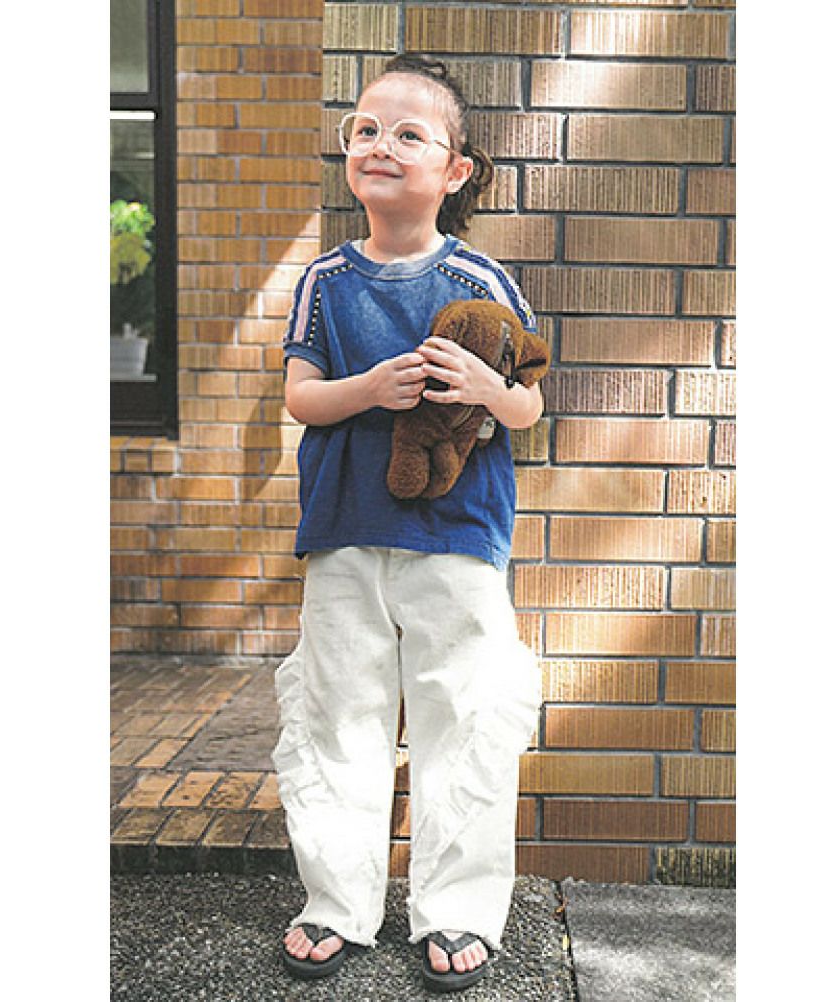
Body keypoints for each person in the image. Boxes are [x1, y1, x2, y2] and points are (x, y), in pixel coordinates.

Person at [272, 53, 544, 993]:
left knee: (462, 716)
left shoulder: (481, 276)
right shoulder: (325, 281)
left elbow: (528, 405)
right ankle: (336, 902)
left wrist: (485, 388)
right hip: (344, 526)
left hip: (456, 531)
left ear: (455, 169)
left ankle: (457, 910)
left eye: (408, 133)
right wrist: (372, 388)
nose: (380, 144)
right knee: (336, 714)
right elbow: (303, 398)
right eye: (365, 129)